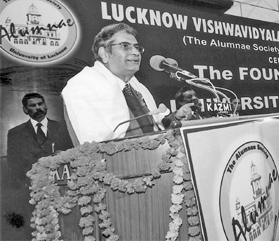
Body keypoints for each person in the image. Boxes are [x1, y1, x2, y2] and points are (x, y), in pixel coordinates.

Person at [62, 23, 167, 144]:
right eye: (125, 46)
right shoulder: (82, 86)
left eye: (137, 47)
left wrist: (175, 119)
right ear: (104, 54)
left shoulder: (137, 87)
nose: (136, 52)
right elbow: (96, 144)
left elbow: (154, 127)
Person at [6, 93, 74, 239]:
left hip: (60, 189)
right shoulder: (15, 134)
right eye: (33, 105)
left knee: (63, 229)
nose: (38, 108)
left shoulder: (63, 128)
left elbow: (73, 156)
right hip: (30, 193)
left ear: (46, 105)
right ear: (25, 110)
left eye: (40, 104)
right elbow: (13, 165)